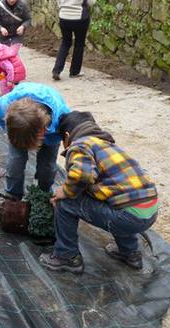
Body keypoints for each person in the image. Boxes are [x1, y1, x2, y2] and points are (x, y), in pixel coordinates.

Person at [39, 111, 159, 274]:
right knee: (114, 200)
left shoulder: (80, 145)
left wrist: (64, 191)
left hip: (130, 218)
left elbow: (82, 175)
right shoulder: (107, 145)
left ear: (67, 136)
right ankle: (130, 253)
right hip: (149, 211)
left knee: (65, 202)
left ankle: (67, 256)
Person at [0, 83, 70, 204]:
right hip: (20, 129)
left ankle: (43, 194)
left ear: (43, 131)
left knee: (47, 166)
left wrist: (42, 142)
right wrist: (11, 134)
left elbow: (61, 138)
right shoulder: (2, 106)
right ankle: (12, 196)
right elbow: (0, 118)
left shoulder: (61, 118)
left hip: (51, 130)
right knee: (15, 161)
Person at [52, 0, 97, 80]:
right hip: (80, 17)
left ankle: (57, 70)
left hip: (64, 16)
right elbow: (92, 1)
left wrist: (63, 6)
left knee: (65, 42)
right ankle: (74, 71)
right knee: (79, 43)